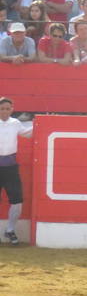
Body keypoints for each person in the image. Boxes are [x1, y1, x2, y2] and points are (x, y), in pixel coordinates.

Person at [0, 97, 32, 245]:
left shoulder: (15, 123)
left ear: (12, 109)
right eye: (2, 108)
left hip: (11, 167)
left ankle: (10, 229)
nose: (5, 111)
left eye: (8, 108)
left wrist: (44, 123)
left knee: (17, 201)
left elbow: (27, 133)